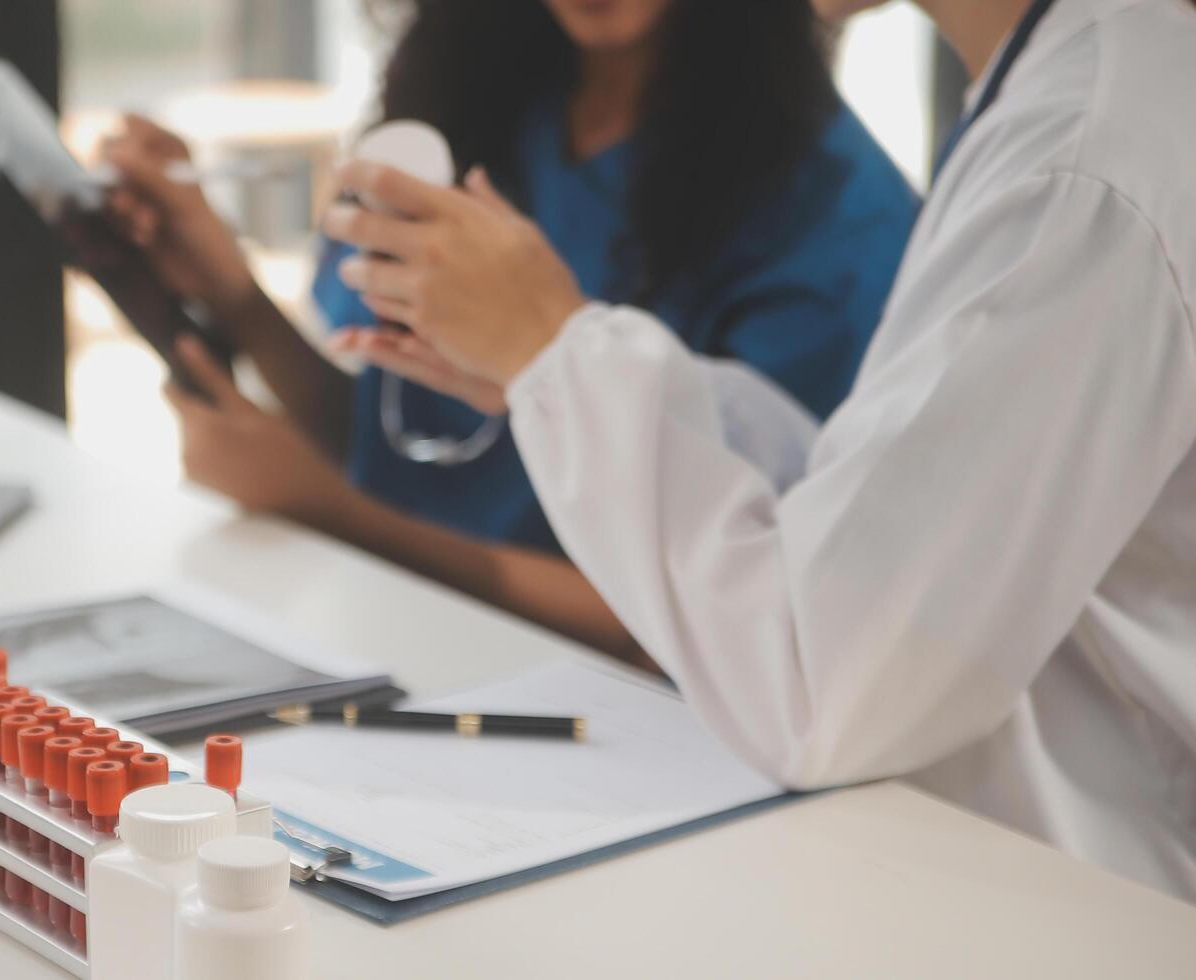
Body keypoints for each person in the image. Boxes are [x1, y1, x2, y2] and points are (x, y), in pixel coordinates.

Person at [322, 0, 1196, 899]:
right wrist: (551, 370)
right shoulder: (1062, 91)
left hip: (1089, 901)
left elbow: (823, 684)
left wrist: (559, 357)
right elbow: (876, 506)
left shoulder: (1085, 157)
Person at [104, 0, 916, 664]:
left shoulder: (837, 217)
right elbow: (406, 429)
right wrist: (234, 296)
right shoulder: (478, 103)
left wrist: (341, 518)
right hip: (382, 645)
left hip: (618, 721)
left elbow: (748, 613)